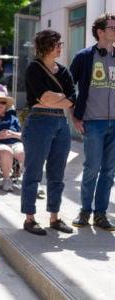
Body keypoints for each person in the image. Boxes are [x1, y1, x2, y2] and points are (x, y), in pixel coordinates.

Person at [22, 29, 76, 235]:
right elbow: (43, 97)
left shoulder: (64, 71)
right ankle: (30, 218)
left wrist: (58, 97)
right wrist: (60, 97)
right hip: (39, 121)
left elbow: (73, 97)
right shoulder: (34, 69)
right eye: (57, 44)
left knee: (57, 174)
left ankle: (54, 217)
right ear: (46, 46)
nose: (60, 47)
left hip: (61, 123)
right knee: (33, 172)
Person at [70, 13, 115, 231]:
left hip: (114, 123)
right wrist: (74, 116)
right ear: (100, 31)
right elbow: (69, 88)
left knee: (109, 171)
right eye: (113, 28)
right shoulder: (84, 57)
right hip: (93, 122)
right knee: (91, 168)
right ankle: (85, 210)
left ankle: (101, 214)